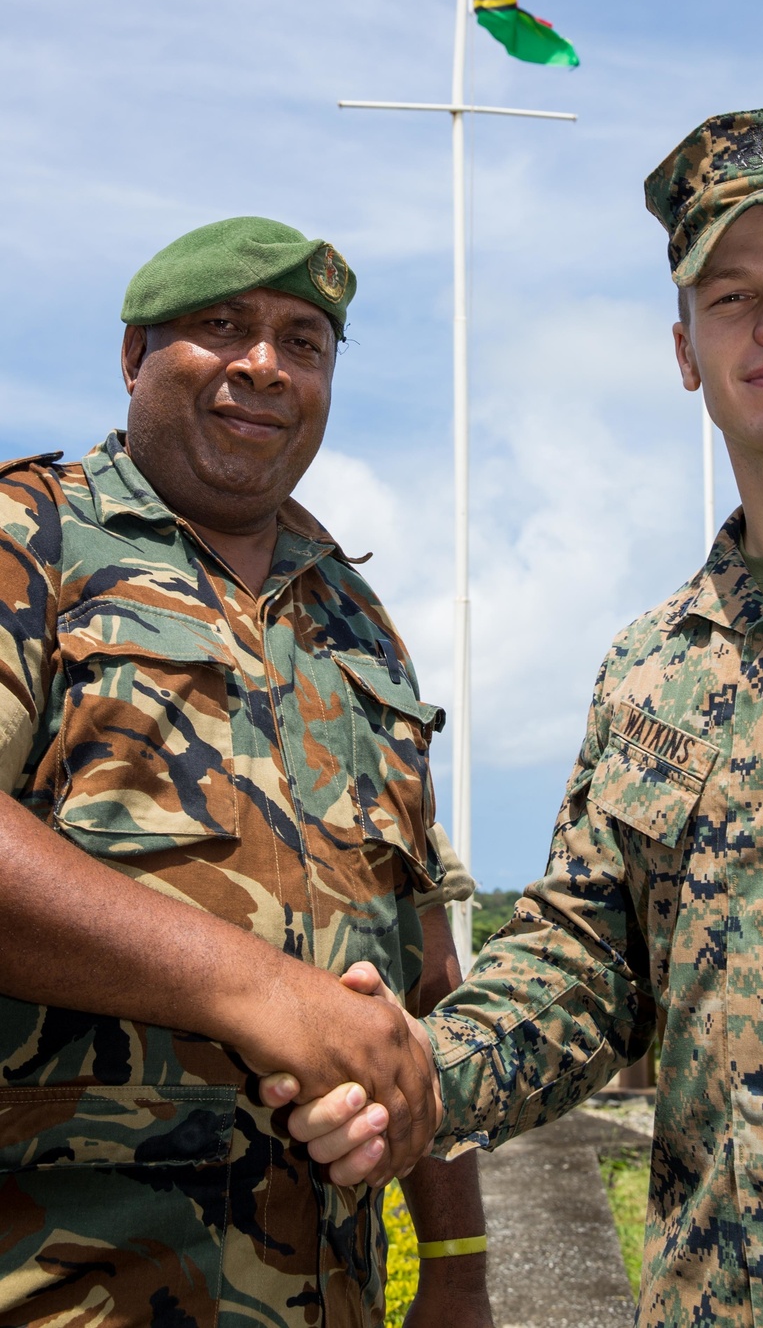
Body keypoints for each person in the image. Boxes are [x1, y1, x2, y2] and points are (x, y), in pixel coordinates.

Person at [278, 105, 763, 1324]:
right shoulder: (647, 669)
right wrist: (420, 1069)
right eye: (732, 296)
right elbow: (580, 963)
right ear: (683, 350)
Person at [0, 216, 491, 1328]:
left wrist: (457, 1263)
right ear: (135, 357)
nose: (265, 364)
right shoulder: (31, 536)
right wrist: (261, 990)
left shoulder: (360, 631)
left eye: (304, 341)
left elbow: (421, 977)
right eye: (221, 327)